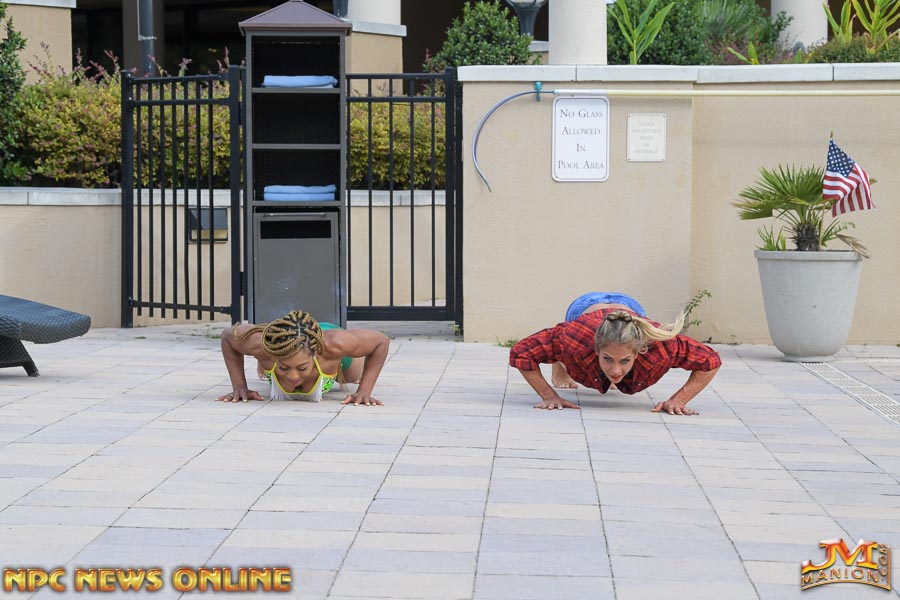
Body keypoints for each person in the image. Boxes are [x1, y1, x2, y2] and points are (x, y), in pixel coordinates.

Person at [509, 292, 721, 415]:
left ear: (640, 352)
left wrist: (679, 400)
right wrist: (549, 396)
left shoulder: (661, 346)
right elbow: (521, 353)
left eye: (625, 361)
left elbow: (710, 360)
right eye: (608, 359)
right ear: (596, 350)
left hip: (629, 307)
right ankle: (558, 360)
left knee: (608, 368)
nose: (616, 370)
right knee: (563, 347)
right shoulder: (573, 337)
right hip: (585, 305)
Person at [216, 309, 390, 406]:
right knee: (267, 352)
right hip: (289, 338)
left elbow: (381, 341)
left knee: (352, 376)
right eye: (284, 367)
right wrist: (239, 387)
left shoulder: (333, 346)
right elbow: (227, 338)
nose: (293, 376)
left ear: (315, 355)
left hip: (328, 340)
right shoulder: (263, 346)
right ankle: (271, 361)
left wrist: (364, 391)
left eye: (302, 368)